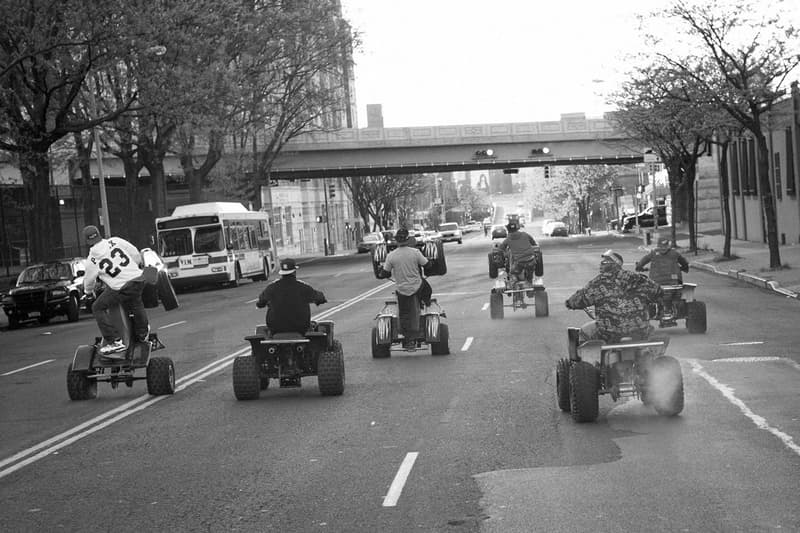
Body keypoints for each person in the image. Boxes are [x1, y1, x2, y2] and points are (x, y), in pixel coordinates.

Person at [565, 250, 663, 345]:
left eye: (605, 262)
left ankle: (590, 360)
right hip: (639, 330)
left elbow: (577, 300)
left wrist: (569, 303)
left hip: (608, 334)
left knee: (583, 332)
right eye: (602, 262)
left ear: (615, 264)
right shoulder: (638, 278)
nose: (601, 264)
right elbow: (658, 291)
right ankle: (647, 355)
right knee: (650, 330)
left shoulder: (597, 283)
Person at [82, 225, 150, 358]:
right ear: (99, 234)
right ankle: (143, 333)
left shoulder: (92, 259)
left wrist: (88, 292)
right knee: (136, 302)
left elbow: (89, 281)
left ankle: (114, 340)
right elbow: (135, 253)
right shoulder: (115, 241)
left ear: (87, 241)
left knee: (97, 307)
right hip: (138, 278)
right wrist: (137, 265)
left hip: (122, 287)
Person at [378, 227, 430, 350]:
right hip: (417, 287)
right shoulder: (415, 252)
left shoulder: (391, 256)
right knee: (427, 290)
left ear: (397, 241)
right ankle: (424, 303)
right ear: (408, 240)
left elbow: (385, 273)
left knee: (404, 313)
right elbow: (427, 264)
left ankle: (408, 339)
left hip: (401, 289)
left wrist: (381, 272)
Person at [256, 258, 326, 335]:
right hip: (301, 328)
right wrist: (320, 300)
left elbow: (260, 303)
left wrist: (261, 303)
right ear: (294, 272)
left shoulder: (271, 287)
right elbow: (320, 298)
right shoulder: (303, 287)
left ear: (282, 272)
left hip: (275, 328)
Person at [498, 219, 541, 285]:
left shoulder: (508, 239)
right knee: (530, 272)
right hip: (531, 260)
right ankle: (529, 282)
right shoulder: (525, 234)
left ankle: (514, 281)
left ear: (508, 230)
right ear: (517, 228)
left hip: (519, 263)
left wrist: (504, 253)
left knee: (512, 272)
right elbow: (533, 243)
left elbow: (501, 249)